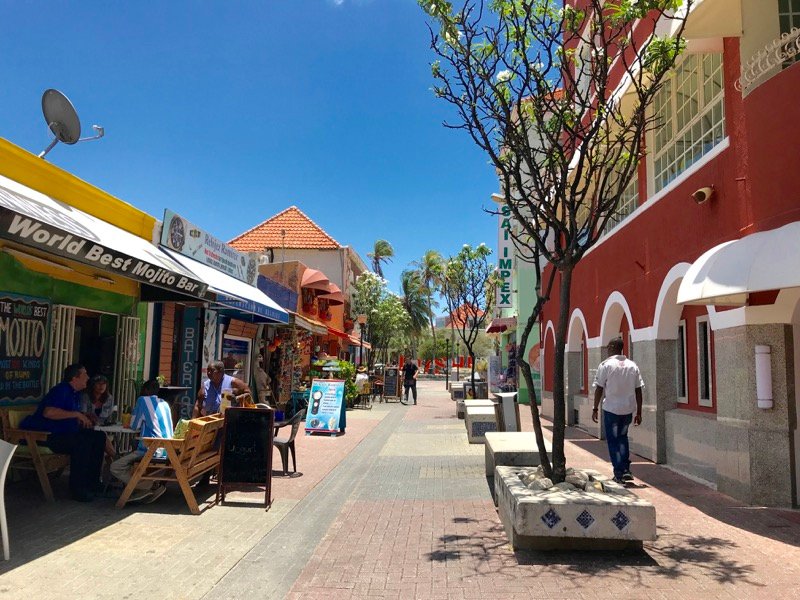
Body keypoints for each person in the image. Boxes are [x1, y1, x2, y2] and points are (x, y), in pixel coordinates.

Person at [20, 364, 106, 502]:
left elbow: (69, 414)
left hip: (65, 433)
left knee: (98, 437)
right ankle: (78, 490)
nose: (88, 377)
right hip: (46, 436)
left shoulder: (75, 393)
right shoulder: (61, 390)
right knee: (81, 443)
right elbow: (49, 412)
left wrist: (85, 416)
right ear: (75, 378)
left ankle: (93, 483)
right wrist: (77, 414)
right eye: (84, 374)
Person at [110, 380, 173, 503]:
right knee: (131, 454)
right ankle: (144, 486)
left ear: (145, 391)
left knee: (115, 466)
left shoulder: (142, 400)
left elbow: (134, 425)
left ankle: (148, 486)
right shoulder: (164, 403)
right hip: (167, 450)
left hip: (152, 450)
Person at [591, 337, 644, 484]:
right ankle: (625, 469)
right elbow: (638, 390)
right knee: (622, 438)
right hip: (627, 409)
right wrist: (639, 411)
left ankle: (619, 472)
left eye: (608, 346)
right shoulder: (632, 366)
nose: (607, 348)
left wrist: (595, 407)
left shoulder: (606, 365)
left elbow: (599, 388)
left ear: (613, 346)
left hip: (611, 410)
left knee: (613, 441)